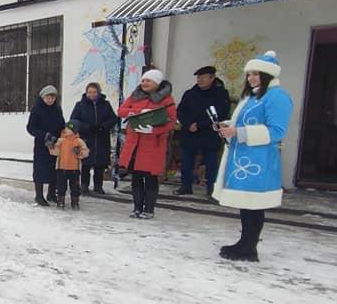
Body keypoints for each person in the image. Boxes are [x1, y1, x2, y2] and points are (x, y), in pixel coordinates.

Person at [213, 51, 293, 262]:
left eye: (256, 74)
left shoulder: (277, 96)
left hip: (260, 159)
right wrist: (227, 126)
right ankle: (245, 243)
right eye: (249, 74)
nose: (251, 78)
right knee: (246, 204)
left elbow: (277, 131)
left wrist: (237, 132)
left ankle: (249, 248)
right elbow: (244, 123)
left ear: (268, 75)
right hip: (244, 157)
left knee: (254, 205)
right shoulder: (253, 96)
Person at [118, 69, 177, 219]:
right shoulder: (135, 95)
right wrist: (136, 111)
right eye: (143, 80)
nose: (144, 83)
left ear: (157, 82)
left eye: (148, 80)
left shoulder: (166, 99)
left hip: (153, 145)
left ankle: (149, 209)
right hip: (134, 144)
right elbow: (122, 110)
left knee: (150, 178)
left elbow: (171, 122)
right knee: (136, 177)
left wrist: (153, 130)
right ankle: (137, 208)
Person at [174, 65, 231, 198]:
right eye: (198, 78)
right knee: (187, 160)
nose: (200, 80)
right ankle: (185, 186)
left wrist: (199, 125)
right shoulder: (190, 93)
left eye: (203, 77)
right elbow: (180, 111)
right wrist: (188, 124)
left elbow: (221, 113)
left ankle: (212, 189)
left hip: (209, 133)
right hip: (190, 132)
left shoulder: (220, 94)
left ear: (212, 78)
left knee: (211, 162)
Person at [69, 82, 116, 194]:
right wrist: (86, 127)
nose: (92, 94)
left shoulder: (106, 105)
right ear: (86, 93)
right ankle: (84, 185)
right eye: (89, 92)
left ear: (98, 92)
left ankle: (98, 186)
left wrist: (103, 126)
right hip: (86, 138)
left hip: (101, 137)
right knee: (86, 163)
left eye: (94, 92)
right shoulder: (80, 105)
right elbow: (73, 121)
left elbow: (113, 119)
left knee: (100, 164)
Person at [26, 85, 65, 206]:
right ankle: (39, 195)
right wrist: (44, 135)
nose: (50, 100)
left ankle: (51, 194)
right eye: (48, 97)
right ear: (43, 97)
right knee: (40, 170)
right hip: (42, 145)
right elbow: (31, 128)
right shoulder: (37, 109)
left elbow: (62, 124)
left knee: (54, 169)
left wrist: (64, 135)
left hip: (55, 144)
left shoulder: (57, 109)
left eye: (52, 97)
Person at [50, 120, 90, 209]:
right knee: (61, 186)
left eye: (68, 129)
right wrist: (51, 147)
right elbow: (56, 153)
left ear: (74, 131)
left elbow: (86, 152)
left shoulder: (79, 141)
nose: (66, 130)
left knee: (75, 187)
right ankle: (60, 200)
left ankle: (75, 201)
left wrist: (79, 152)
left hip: (74, 169)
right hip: (61, 168)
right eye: (66, 128)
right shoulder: (61, 141)